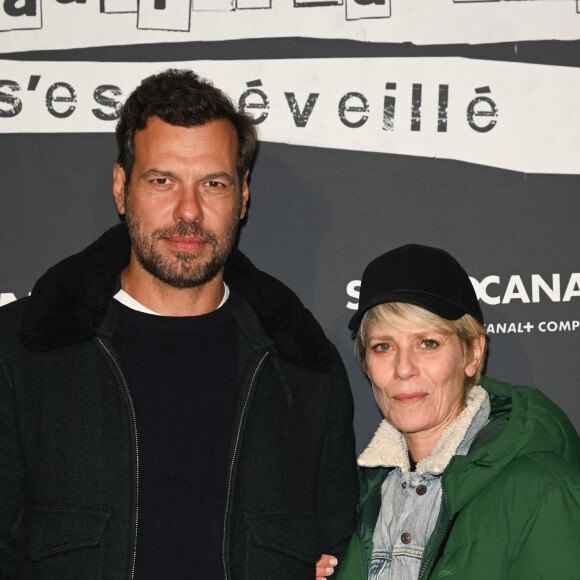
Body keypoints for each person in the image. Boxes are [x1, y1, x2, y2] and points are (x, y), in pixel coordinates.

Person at [0, 69, 358, 579]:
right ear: (123, 189)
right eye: (162, 180)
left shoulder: (304, 371)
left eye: (213, 183)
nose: (188, 211)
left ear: (243, 195)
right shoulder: (20, 356)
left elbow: (340, 554)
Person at [330, 243, 580, 579]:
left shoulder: (544, 491)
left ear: (473, 354)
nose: (404, 369)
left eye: (427, 343)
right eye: (383, 346)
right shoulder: (353, 504)